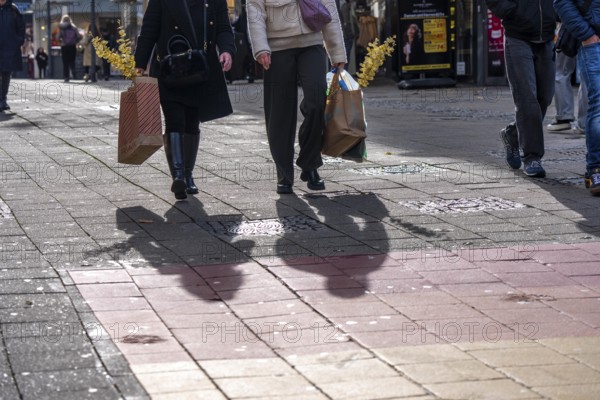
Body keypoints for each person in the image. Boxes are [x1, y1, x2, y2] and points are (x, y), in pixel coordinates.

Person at [134, 0, 235, 200]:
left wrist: (227, 50)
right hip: (169, 68)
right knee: (175, 119)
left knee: (191, 121)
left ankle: (188, 176)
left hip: (199, 69)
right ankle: (178, 176)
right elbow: (150, 28)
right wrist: (140, 63)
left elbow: (223, 27)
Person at [247, 0, 346, 194]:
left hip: (313, 43)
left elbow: (329, 9)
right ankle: (284, 173)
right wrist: (261, 47)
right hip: (277, 48)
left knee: (318, 103)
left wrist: (337, 52)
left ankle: (310, 163)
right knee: (280, 113)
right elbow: (255, 10)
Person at [486, 0, 557, 178]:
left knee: (545, 96)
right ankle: (532, 157)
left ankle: (513, 134)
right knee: (527, 99)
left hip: (547, 36)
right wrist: (513, 12)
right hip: (518, 37)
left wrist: (557, 14)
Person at [555, 0, 600, 195]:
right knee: (598, 104)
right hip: (593, 41)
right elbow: (562, 2)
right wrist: (586, 34)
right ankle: (595, 170)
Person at [548, 34, 588, 132]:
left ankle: (564, 116)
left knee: (561, 72)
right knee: (587, 76)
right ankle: (585, 123)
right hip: (592, 31)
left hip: (570, 30)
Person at [0, 0, 24, 112]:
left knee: (6, 74)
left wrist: (18, 41)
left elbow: (20, 27)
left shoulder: (13, 10)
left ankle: (2, 99)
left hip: (9, 48)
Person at [232, 0, 256, 83]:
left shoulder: (250, 13)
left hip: (251, 37)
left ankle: (251, 74)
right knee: (248, 57)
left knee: (251, 57)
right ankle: (249, 74)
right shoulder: (244, 14)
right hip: (245, 38)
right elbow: (238, 23)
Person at [58, 15, 81, 82]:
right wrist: (76, 41)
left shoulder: (61, 27)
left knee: (65, 63)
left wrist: (61, 41)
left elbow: (57, 37)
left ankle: (66, 77)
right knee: (72, 61)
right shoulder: (74, 27)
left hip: (64, 46)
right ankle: (74, 73)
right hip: (72, 46)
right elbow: (79, 36)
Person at [339, 0, 358, 70]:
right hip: (346, 36)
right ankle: (342, 78)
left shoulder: (343, 5)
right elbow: (346, 23)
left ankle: (340, 77)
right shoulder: (344, 6)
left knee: (343, 60)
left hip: (344, 36)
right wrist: (350, 35)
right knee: (345, 60)